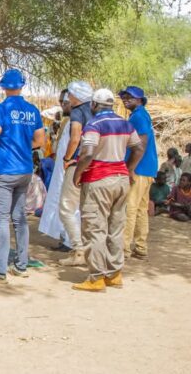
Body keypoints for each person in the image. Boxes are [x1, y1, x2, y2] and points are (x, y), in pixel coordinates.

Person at [0, 69, 44, 283]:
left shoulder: (1, 110)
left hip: (5, 171)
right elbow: (40, 141)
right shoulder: (32, 111)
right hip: (25, 171)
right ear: (21, 86)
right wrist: (22, 146)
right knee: (20, 218)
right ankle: (21, 265)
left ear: (3, 87)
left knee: (1, 220)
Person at [71, 89, 144, 292]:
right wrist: (128, 169)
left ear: (94, 105)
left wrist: (77, 174)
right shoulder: (125, 124)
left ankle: (96, 278)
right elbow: (138, 148)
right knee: (116, 228)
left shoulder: (94, 125)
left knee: (94, 229)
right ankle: (114, 274)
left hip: (98, 180)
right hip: (121, 179)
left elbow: (87, 154)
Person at [119, 86, 159, 260]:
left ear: (140, 100)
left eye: (130, 97)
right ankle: (141, 247)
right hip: (147, 168)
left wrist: (130, 169)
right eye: (124, 96)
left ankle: (124, 248)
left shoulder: (138, 116)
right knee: (141, 209)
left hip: (139, 169)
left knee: (130, 208)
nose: (125, 99)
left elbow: (141, 145)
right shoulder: (142, 115)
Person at [58, 81, 94, 266]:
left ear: (76, 96)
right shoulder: (95, 110)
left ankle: (78, 250)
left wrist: (67, 158)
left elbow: (75, 137)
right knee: (87, 210)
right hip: (95, 164)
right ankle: (91, 251)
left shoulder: (77, 111)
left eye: (70, 94)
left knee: (66, 208)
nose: (68, 98)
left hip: (78, 163)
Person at [40, 90, 74, 250]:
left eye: (64, 102)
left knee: (69, 204)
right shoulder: (69, 121)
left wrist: (67, 162)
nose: (61, 105)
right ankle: (64, 237)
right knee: (60, 201)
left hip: (68, 168)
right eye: (61, 102)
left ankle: (70, 241)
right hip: (61, 168)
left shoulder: (76, 122)